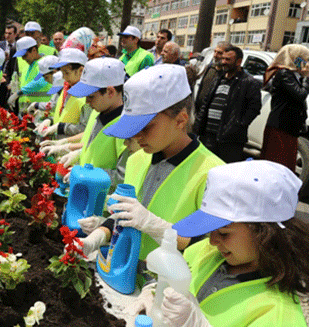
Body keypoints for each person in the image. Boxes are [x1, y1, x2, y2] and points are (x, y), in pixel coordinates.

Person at [128, 160, 309, 327]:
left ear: (266, 234)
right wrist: (153, 289)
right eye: (210, 230)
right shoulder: (208, 254)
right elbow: (169, 276)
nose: (213, 241)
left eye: (224, 233)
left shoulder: (278, 316)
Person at [79, 64, 224, 262]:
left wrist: (154, 225)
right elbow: (128, 216)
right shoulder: (138, 159)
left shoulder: (213, 174)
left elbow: (209, 248)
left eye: (145, 127)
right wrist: (99, 234)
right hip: (125, 271)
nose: (136, 136)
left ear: (180, 120)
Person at [42, 58, 129, 185]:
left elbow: (123, 176)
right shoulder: (97, 113)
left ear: (110, 91)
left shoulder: (124, 129)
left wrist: (88, 174)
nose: (87, 101)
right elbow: (93, 147)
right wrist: (77, 153)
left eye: (91, 96)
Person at [194, 46, 262, 163]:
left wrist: (237, 125)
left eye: (228, 60)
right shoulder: (218, 79)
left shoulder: (249, 82)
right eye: (223, 59)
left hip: (229, 141)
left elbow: (254, 108)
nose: (224, 62)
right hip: (208, 136)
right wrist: (198, 126)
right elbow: (206, 103)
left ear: (239, 62)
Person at [260, 44, 309, 172]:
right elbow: (300, 95)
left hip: (289, 128)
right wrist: (306, 78)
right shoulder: (284, 73)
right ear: (294, 58)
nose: (306, 63)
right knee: (277, 166)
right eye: (304, 59)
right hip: (280, 127)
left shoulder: (293, 74)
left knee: (285, 167)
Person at [34, 47, 91, 138]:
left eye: (67, 73)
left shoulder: (88, 96)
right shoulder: (67, 90)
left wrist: (61, 127)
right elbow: (63, 117)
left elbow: (86, 129)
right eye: (62, 73)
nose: (64, 77)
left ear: (81, 71)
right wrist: (50, 121)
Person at [7, 36, 52, 114]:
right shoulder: (26, 67)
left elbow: (41, 82)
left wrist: (18, 93)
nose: (23, 58)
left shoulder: (45, 64)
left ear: (34, 50)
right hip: (26, 112)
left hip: (41, 112)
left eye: (25, 55)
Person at [194, 41, 231, 115]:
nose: (215, 55)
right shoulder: (210, 68)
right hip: (200, 113)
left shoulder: (228, 75)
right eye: (215, 52)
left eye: (220, 53)